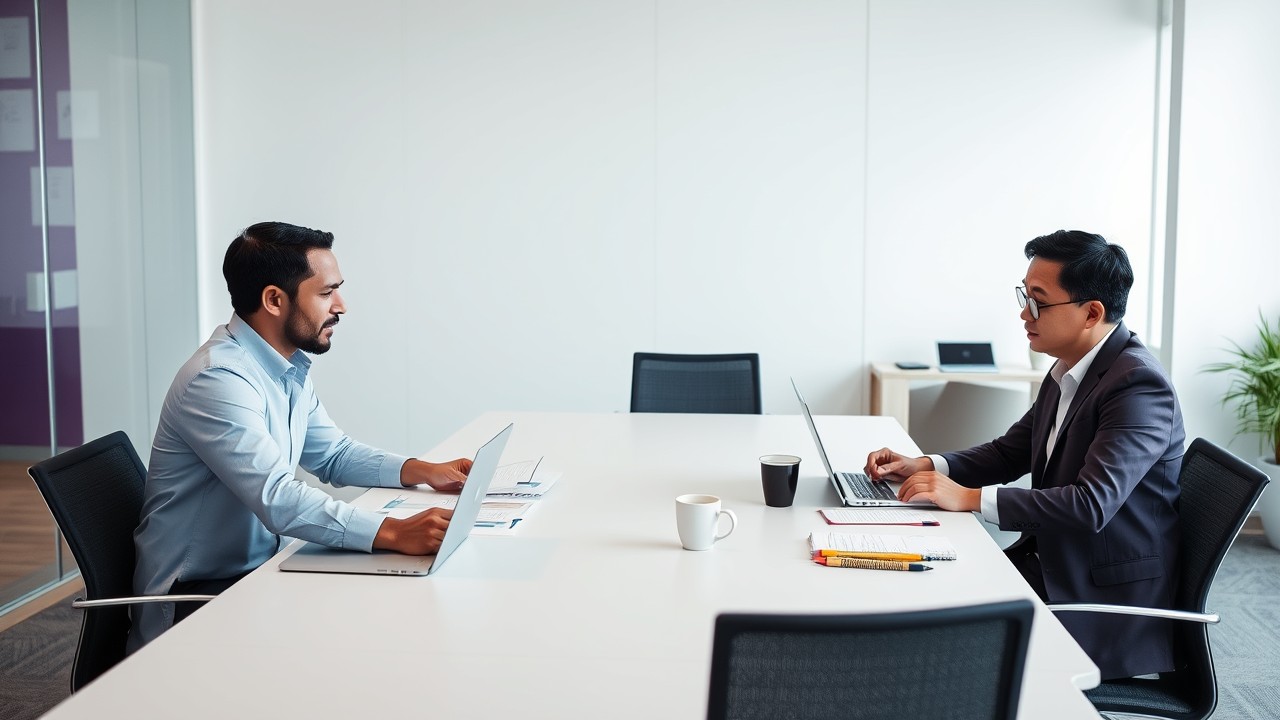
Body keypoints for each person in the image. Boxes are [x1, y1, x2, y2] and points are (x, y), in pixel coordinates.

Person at [128, 221, 472, 652]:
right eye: (327, 292)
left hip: (259, 570)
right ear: (274, 299)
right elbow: (279, 499)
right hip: (198, 599)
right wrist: (392, 532)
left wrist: (422, 470)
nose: (341, 306)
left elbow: (333, 454)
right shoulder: (217, 380)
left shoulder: (283, 368)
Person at [865, 230, 1185, 681]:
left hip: (1099, 602)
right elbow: (1009, 452)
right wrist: (929, 464)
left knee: (930, 636)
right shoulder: (1069, 368)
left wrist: (971, 498)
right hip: (1049, 563)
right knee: (916, 590)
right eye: (1024, 295)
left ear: (1091, 312)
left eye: (1038, 301)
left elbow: (1091, 504)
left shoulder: (1137, 386)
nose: (1023, 313)